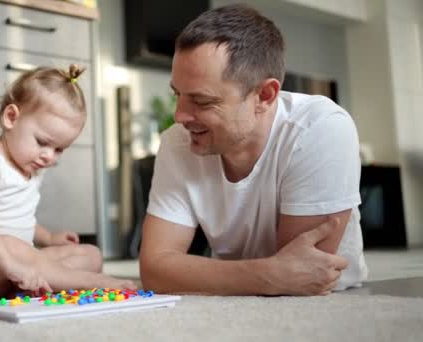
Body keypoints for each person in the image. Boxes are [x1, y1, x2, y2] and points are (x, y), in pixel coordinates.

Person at [139, 4, 368, 296]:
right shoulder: (176, 142)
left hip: (332, 303)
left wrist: (193, 273)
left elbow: (306, 274)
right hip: (231, 302)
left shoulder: (320, 126)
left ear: (264, 95)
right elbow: (154, 270)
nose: (180, 115)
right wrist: (267, 275)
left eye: (203, 101)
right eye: (177, 94)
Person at [0, 65, 136, 304]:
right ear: (11, 117)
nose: (49, 156)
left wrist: (48, 239)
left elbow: (17, 216)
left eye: (59, 149)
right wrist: (10, 265)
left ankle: (24, 287)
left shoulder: (30, 165)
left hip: (15, 265)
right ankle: (88, 282)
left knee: (90, 255)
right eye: (43, 142)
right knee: (12, 246)